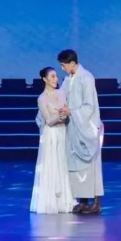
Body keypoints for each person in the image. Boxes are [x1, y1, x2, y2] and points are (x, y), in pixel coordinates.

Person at [57, 49, 104, 214]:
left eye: (63, 65)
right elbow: (62, 97)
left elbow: (89, 106)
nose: (62, 68)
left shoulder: (86, 78)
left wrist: (72, 112)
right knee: (76, 165)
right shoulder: (68, 80)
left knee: (91, 166)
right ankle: (82, 200)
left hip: (86, 127)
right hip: (74, 126)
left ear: (72, 63)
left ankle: (96, 202)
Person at [30, 67, 75, 214]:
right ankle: (50, 201)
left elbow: (66, 111)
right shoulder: (42, 98)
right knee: (52, 165)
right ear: (45, 79)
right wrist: (59, 116)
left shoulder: (61, 93)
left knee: (63, 165)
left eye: (56, 76)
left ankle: (65, 200)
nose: (56, 79)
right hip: (51, 135)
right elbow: (48, 121)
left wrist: (66, 114)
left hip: (62, 132)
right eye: (52, 76)